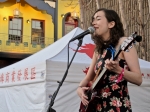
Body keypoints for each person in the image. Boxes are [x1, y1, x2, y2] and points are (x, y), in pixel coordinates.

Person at [77, 8, 142, 112]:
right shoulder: (98, 50)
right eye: (93, 20)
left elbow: (138, 79)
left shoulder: (123, 43)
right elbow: (88, 78)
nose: (93, 23)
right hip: (97, 106)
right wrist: (79, 88)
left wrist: (119, 70)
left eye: (98, 19)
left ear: (111, 24)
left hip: (117, 106)